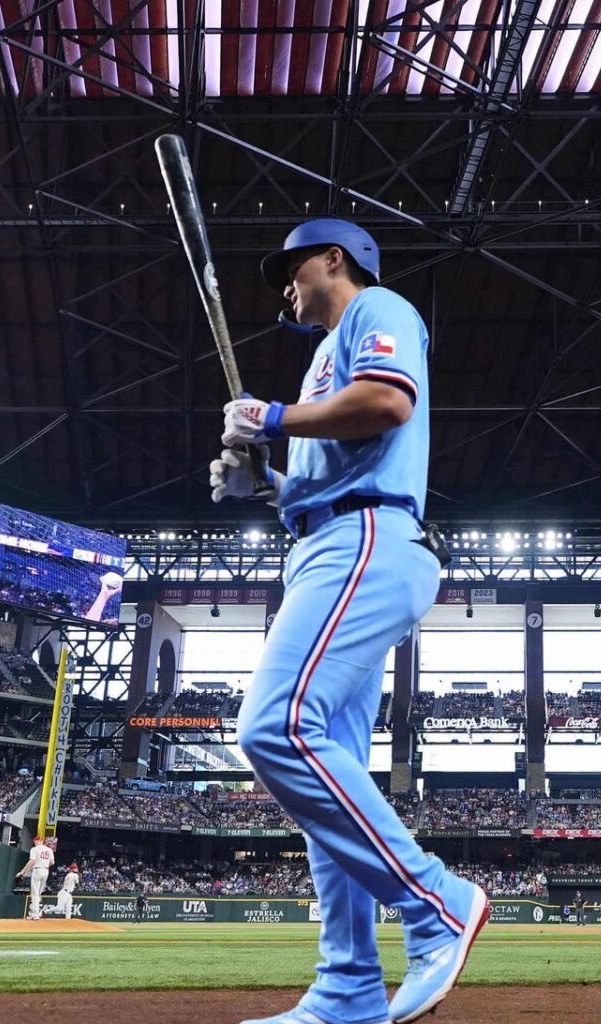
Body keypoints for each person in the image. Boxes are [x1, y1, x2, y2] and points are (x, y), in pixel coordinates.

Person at [213, 220, 487, 1024]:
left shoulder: (378, 309)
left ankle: (435, 901)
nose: (284, 284)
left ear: (336, 258)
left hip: (365, 539)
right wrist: (257, 479)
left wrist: (269, 420)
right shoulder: (319, 358)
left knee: (275, 728)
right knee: (328, 761)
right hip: (326, 541)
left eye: (291, 266)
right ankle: (348, 989)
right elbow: (322, 465)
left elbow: (387, 403)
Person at [21, 835, 55, 920]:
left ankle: (35, 914)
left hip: (37, 870)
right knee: (38, 893)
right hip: (46, 871)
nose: (35, 843)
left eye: (35, 841)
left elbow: (32, 861)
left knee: (35, 893)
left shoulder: (34, 849)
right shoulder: (49, 850)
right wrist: (45, 865)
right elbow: (52, 862)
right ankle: (34, 912)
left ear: (36, 841)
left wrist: (22, 872)